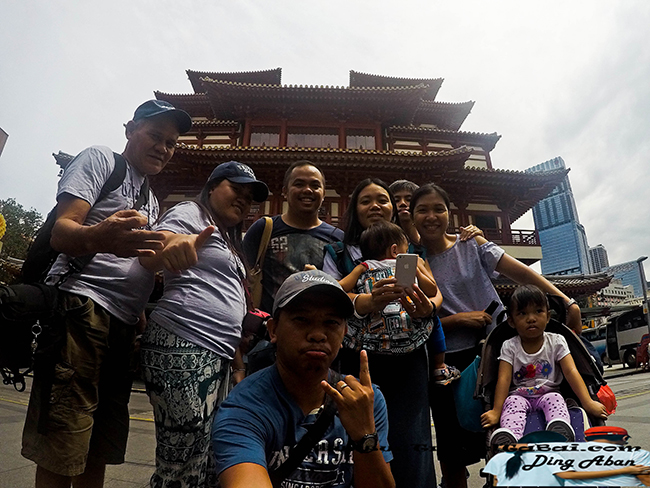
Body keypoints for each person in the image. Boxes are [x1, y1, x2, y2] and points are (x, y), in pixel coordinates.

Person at [21, 100, 192, 488]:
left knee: (100, 441)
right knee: (64, 434)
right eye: (155, 136)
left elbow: (134, 261)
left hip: (123, 323)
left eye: (171, 142)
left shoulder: (150, 198)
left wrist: (142, 304)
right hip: (82, 308)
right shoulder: (101, 161)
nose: (163, 148)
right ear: (130, 128)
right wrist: (102, 237)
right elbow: (63, 232)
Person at [410, 182, 584, 488]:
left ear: (449, 212)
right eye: (422, 210)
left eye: (438, 208)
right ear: (412, 217)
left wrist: (564, 299)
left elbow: (520, 272)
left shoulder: (471, 245)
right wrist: (458, 320)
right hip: (443, 359)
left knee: (503, 433)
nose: (431, 216)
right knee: (451, 448)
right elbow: (410, 313)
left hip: (491, 353)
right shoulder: (411, 259)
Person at [138, 161, 269, 487]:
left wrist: (237, 365)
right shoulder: (190, 214)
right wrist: (171, 245)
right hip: (184, 341)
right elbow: (154, 247)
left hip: (218, 354)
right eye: (235, 190)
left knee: (207, 457)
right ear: (211, 187)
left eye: (248, 196)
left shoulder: (227, 239)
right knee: (183, 460)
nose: (242, 199)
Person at [212, 270, 395, 488]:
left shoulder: (364, 403)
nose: (318, 334)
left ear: (345, 333)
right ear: (273, 330)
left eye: (331, 322)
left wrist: (365, 436)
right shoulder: (245, 408)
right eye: (302, 319)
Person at [322, 178, 437, 488]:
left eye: (383, 200)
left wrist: (426, 307)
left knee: (412, 435)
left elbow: (434, 293)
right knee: (362, 430)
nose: (375, 206)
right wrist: (367, 301)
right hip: (359, 353)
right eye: (365, 201)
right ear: (353, 209)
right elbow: (332, 294)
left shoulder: (410, 253)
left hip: (409, 353)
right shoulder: (339, 251)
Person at [480, 285, 608, 446]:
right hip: (519, 395)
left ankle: (560, 428)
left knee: (555, 399)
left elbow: (571, 371)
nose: (531, 318)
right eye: (522, 313)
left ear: (548, 316)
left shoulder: (556, 341)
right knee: (511, 404)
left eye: (538, 311)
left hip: (549, 393)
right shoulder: (509, 346)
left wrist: (588, 402)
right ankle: (511, 438)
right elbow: (503, 379)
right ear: (511, 321)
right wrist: (496, 411)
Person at [337, 221, 458, 384]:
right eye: (406, 247)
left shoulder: (364, 266)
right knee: (434, 320)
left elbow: (341, 287)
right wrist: (417, 269)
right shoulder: (413, 263)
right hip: (410, 336)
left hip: (373, 342)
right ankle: (439, 365)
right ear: (395, 250)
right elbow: (432, 290)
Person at [243, 160, 343, 314]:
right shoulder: (264, 229)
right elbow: (241, 276)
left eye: (315, 186)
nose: (307, 190)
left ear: (323, 193)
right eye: (299, 184)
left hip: (321, 324)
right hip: (271, 327)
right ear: (285, 191)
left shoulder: (337, 237)